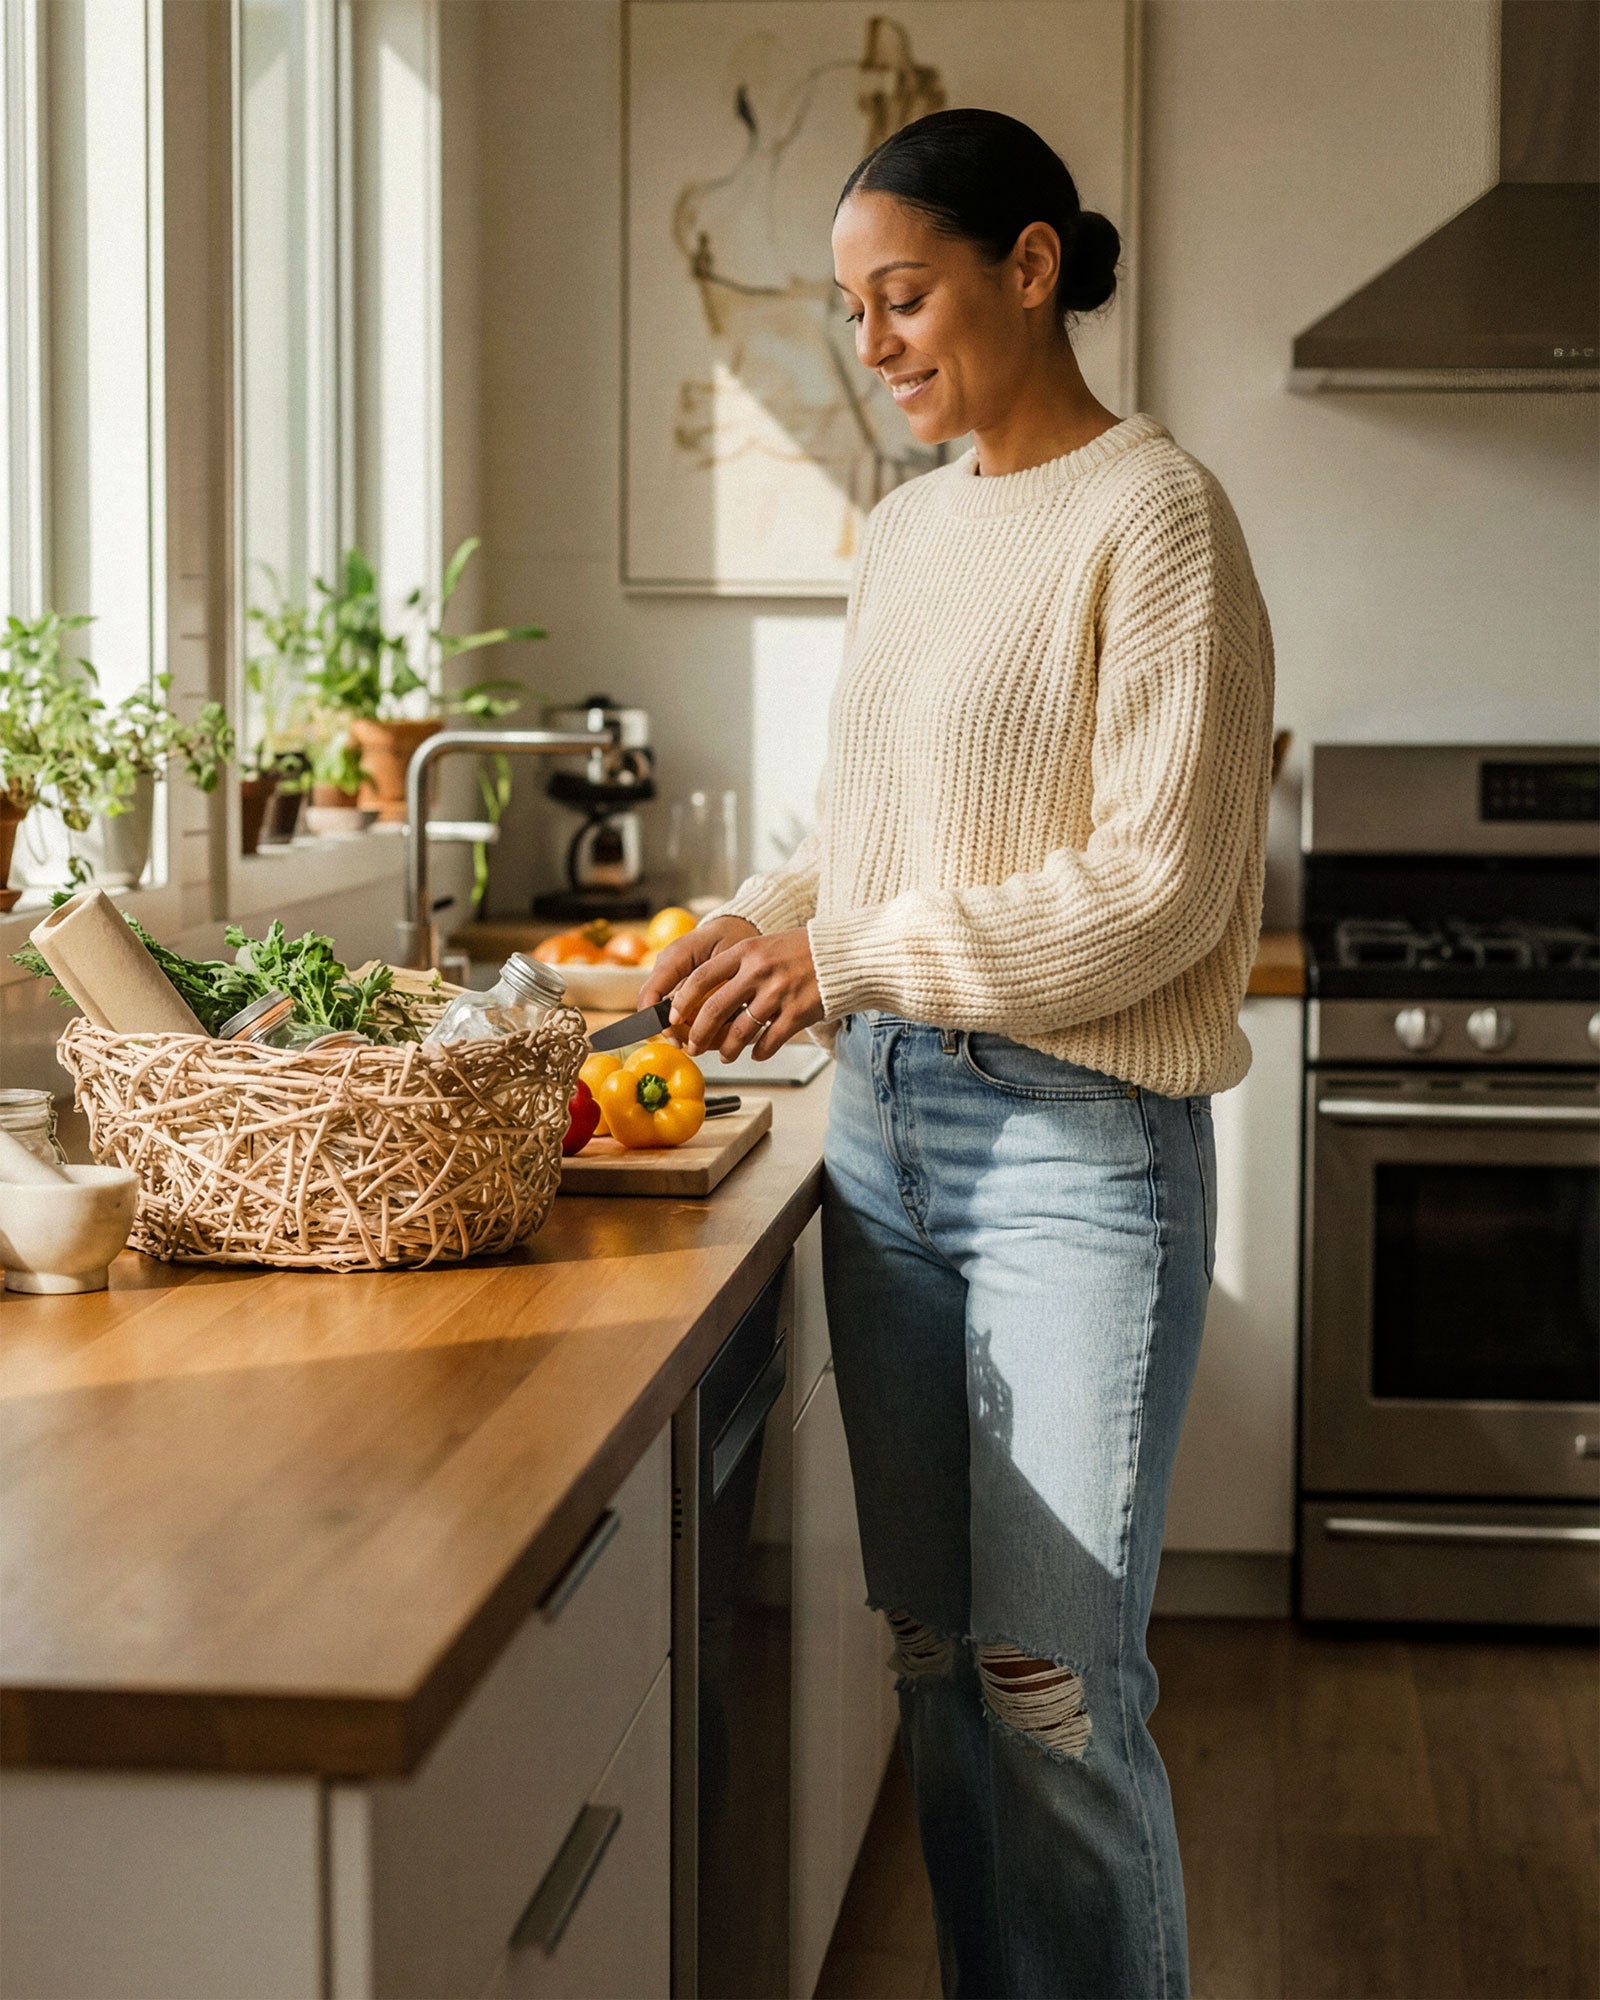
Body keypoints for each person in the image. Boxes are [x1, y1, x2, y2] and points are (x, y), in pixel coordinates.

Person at [640, 105, 1276, 2000]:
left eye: (901, 294)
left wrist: (841, 956)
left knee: (1054, 1697)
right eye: (850, 311)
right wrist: (754, 924)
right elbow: (883, 832)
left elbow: (1158, 891)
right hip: (886, 1145)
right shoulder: (910, 532)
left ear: (1031, 266)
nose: (877, 340)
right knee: (935, 1670)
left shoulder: (1161, 516)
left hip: (1079, 1150)